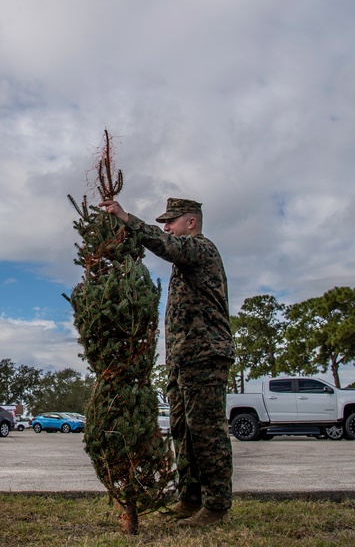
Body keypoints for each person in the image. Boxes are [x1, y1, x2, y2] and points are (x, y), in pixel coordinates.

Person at [100, 196, 234, 528]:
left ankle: (216, 507)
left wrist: (127, 218)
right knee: (182, 431)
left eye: (171, 221)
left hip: (205, 355)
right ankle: (189, 499)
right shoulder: (185, 262)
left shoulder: (201, 249)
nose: (166, 227)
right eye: (164, 222)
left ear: (191, 222)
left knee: (206, 432)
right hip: (183, 360)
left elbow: (164, 244)